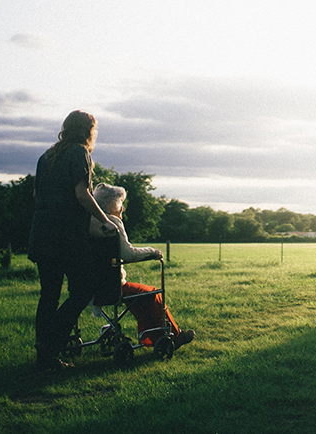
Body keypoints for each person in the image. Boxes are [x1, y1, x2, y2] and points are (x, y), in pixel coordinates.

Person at [28, 110, 118, 371]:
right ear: (88, 130)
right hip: (66, 237)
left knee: (49, 295)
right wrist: (105, 220)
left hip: (42, 234)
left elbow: (37, 194)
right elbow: (82, 194)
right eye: (94, 129)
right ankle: (50, 344)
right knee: (82, 292)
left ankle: (44, 356)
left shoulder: (45, 157)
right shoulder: (80, 153)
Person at [89, 182, 195, 350]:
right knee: (152, 293)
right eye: (120, 203)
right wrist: (152, 251)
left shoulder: (89, 222)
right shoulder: (113, 223)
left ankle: (151, 338)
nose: (122, 208)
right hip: (112, 287)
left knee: (139, 295)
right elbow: (128, 254)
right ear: (112, 204)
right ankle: (174, 335)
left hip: (89, 287)